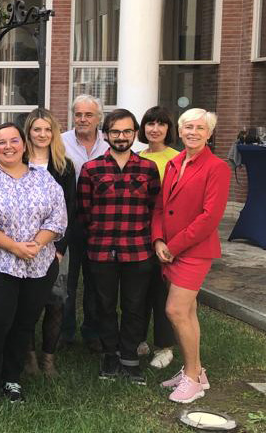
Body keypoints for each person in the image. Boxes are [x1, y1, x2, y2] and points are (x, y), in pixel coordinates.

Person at [0, 123, 66, 406]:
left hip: (38, 263)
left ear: (23, 144)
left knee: (23, 322)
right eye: (1, 142)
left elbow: (58, 219)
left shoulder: (44, 179)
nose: (8, 147)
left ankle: (12, 378)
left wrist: (35, 245)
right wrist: (14, 247)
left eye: (14, 141)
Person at [77, 109, 161, 386]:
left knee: (135, 306)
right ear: (106, 135)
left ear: (135, 134)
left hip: (138, 249)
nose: (121, 137)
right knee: (104, 305)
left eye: (127, 131)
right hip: (101, 249)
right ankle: (110, 354)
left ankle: (130, 357)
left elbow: (154, 208)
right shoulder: (91, 169)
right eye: (115, 132)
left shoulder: (148, 169)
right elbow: (84, 211)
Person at [153, 109, 230, 404]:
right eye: (188, 127)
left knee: (174, 310)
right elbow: (160, 207)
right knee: (188, 312)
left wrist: (174, 246)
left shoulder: (217, 168)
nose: (193, 132)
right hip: (170, 248)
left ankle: (194, 378)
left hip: (194, 251)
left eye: (200, 128)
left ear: (209, 133)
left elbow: (210, 218)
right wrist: (159, 239)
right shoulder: (174, 162)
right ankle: (194, 369)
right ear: (180, 131)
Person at [21, 108, 75, 378]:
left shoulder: (63, 166)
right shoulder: (17, 161)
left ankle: (48, 359)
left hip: (53, 248)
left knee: (55, 303)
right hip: (21, 247)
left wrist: (60, 249)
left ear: (53, 133)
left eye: (47, 129)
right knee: (27, 303)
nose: (42, 134)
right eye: (36, 129)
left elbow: (70, 210)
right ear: (28, 132)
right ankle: (28, 357)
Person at [60, 94, 110, 352]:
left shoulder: (109, 143)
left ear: (98, 118)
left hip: (98, 222)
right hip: (68, 219)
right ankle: (64, 333)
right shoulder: (61, 143)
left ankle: (92, 332)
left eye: (88, 115)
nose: (82, 119)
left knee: (95, 280)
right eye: (78, 114)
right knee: (67, 279)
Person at [136, 106, 180, 370]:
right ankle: (138, 338)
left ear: (168, 129)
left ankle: (165, 346)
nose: (154, 129)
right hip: (139, 233)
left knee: (163, 294)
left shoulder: (177, 159)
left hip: (166, 235)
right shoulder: (136, 156)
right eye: (150, 124)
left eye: (160, 124)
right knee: (138, 290)